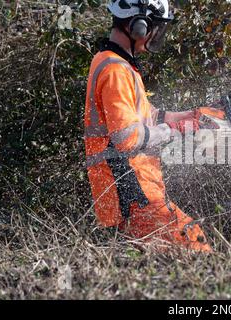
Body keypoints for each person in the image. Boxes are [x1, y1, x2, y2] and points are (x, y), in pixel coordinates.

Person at [84, 0, 211, 252]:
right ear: (138, 27)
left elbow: (143, 117)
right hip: (129, 189)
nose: (156, 35)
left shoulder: (117, 64)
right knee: (194, 246)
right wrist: (172, 131)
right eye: (156, 28)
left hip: (134, 186)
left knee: (169, 259)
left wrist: (190, 116)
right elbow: (126, 136)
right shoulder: (115, 70)